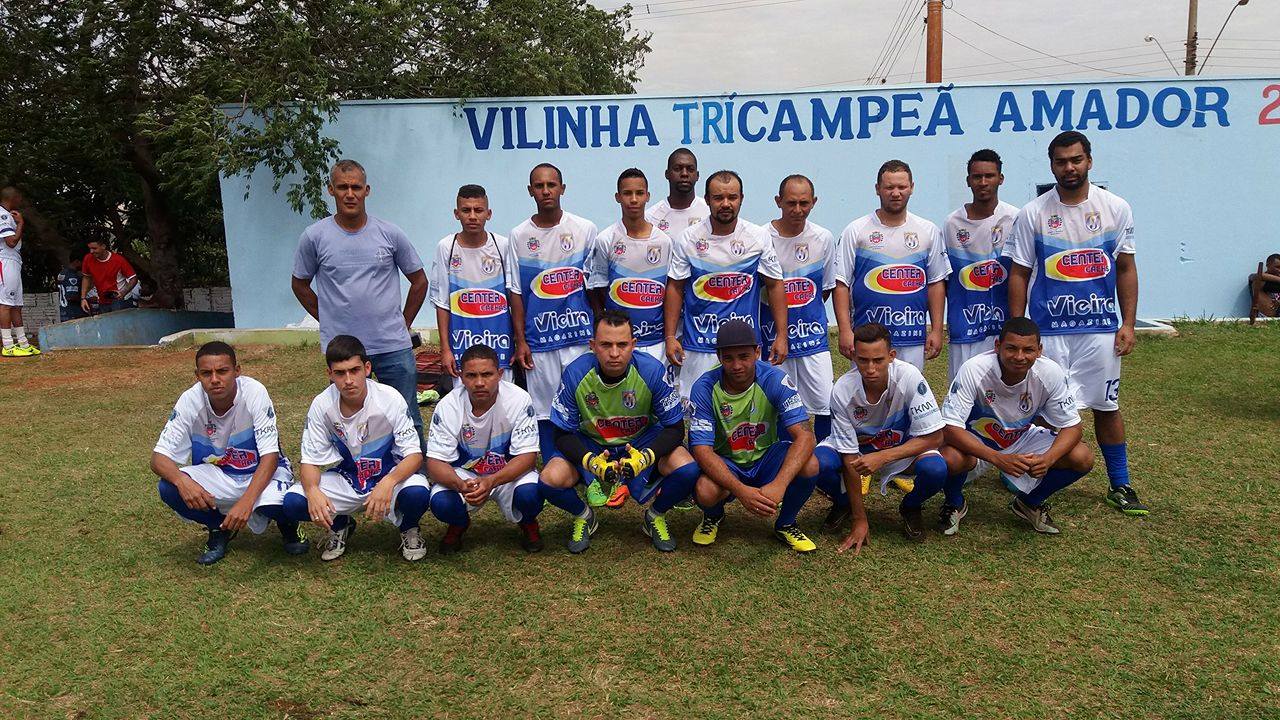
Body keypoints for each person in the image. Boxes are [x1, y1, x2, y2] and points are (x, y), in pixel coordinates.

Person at [1005, 131, 1147, 516]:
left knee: (1105, 405)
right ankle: (1027, 472)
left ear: (1089, 161)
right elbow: (1019, 273)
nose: (1069, 167)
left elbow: (1126, 268)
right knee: (1039, 407)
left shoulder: (1115, 207)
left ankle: (1120, 484)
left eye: (1076, 160)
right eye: (1061, 161)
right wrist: (1017, 327)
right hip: (1048, 330)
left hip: (1099, 329)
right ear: (1051, 165)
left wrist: (1128, 323)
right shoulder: (1033, 212)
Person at [291, 159, 429, 445]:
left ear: (367, 190)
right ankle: (355, 467)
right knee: (348, 418)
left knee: (406, 416)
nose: (350, 194)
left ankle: (416, 469)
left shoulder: (390, 233)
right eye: (343, 187)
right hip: (344, 350)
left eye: (356, 187)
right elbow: (300, 284)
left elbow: (419, 281)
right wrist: (327, 318)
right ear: (331, 190)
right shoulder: (314, 237)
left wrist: (403, 323)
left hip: (392, 345)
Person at [538, 310, 700, 553]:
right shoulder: (575, 373)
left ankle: (655, 516)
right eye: (606, 344)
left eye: (622, 344)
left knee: (687, 469)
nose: (614, 353)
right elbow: (561, 434)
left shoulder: (652, 371)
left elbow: (675, 429)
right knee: (549, 479)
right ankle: (584, 516)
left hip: (640, 441)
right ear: (593, 345)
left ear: (633, 345)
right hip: (594, 443)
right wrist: (590, 461)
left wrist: (646, 457)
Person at [151, 341, 305, 564]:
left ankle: (288, 525)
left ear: (237, 371)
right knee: (169, 487)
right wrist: (182, 482)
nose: (215, 379)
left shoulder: (254, 392)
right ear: (197, 376)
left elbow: (270, 457)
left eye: (222, 371)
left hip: (262, 473)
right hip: (220, 474)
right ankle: (218, 527)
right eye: (206, 373)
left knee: (287, 502)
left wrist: (246, 502)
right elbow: (158, 459)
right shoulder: (190, 400)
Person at [939, 317, 1096, 534]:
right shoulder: (974, 369)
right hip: (976, 441)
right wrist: (997, 458)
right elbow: (949, 428)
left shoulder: (1050, 372)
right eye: (1011, 348)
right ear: (997, 346)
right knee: (949, 458)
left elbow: (1073, 427)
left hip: (1020, 438)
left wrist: (1048, 459)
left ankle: (1030, 502)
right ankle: (954, 503)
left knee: (1082, 457)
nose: (1020, 357)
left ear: (1039, 350)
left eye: (1028, 350)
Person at [282, 335, 432, 562]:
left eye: (355, 370)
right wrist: (312, 491)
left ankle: (409, 528)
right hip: (349, 477)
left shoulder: (390, 398)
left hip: (389, 473)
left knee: (418, 492)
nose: (349, 380)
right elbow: (310, 461)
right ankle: (340, 525)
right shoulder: (322, 404)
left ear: (367, 368)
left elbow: (414, 456)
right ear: (330, 374)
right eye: (340, 373)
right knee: (294, 501)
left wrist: (388, 482)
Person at [687, 319, 821, 553]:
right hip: (727, 461)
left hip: (765, 458)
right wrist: (741, 491)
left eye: (744, 356)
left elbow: (806, 437)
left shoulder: (775, 379)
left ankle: (786, 523)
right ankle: (713, 516)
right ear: (719, 357)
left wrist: (779, 484)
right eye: (728, 358)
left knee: (810, 464)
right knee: (705, 491)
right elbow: (701, 450)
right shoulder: (704, 387)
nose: (737, 365)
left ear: (757, 352)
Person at [813, 323, 948, 548]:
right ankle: (844, 503)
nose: (870, 368)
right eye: (863, 360)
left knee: (936, 469)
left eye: (878, 360)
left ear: (891, 356)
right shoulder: (842, 389)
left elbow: (935, 437)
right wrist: (860, 519)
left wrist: (883, 457)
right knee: (818, 464)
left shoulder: (909, 376)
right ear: (854, 357)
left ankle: (911, 506)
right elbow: (849, 457)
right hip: (857, 452)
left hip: (899, 449)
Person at [507, 163, 598, 487]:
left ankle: (592, 474)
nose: (546, 191)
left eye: (551, 185)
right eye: (539, 185)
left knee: (585, 406)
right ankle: (553, 468)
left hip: (579, 338)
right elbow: (516, 292)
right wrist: (521, 341)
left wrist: (598, 332)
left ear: (562, 188)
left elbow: (595, 286)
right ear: (530, 191)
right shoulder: (518, 236)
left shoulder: (585, 229)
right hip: (540, 341)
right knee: (545, 410)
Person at [664, 170, 788, 403]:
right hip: (700, 345)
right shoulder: (688, 238)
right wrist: (670, 336)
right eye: (718, 198)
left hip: (743, 349)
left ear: (741, 198)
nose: (725, 204)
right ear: (707, 199)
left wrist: (782, 336)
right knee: (698, 409)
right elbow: (675, 288)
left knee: (747, 408)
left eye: (732, 197)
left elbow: (775, 286)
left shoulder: (758, 237)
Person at [425, 344, 543, 554]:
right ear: (461, 377)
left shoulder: (519, 399)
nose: (479, 382)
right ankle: (459, 523)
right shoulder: (448, 405)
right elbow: (435, 463)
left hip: (507, 472)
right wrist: (460, 485)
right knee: (441, 502)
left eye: (487, 374)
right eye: (471, 375)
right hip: (466, 476)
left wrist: (491, 481)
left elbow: (528, 456)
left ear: (500, 374)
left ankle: (527, 522)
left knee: (531, 493)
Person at [833, 159, 948, 372]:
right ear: (878, 189)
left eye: (902, 187)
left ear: (912, 188)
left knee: (908, 390)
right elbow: (841, 284)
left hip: (912, 336)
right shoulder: (856, 230)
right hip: (867, 339)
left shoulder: (928, 230)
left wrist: (937, 330)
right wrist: (845, 330)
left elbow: (935, 283)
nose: (896, 193)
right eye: (889, 187)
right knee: (867, 391)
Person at [761, 174, 837, 440]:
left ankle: (825, 455)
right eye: (791, 203)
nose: (797, 209)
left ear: (814, 202)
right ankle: (784, 456)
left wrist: (803, 315)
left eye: (804, 203)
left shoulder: (823, 238)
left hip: (812, 340)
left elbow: (825, 288)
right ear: (778, 201)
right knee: (779, 404)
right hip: (771, 339)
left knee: (825, 402)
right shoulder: (761, 237)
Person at [429, 184, 520, 379]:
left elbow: (515, 297)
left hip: (500, 345)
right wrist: (445, 349)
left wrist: (519, 341)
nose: (472, 216)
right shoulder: (446, 247)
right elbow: (442, 303)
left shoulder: (502, 245)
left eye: (478, 210)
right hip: (461, 345)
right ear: (456, 214)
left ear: (489, 213)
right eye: (466, 210)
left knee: (503, 394)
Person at [944, 149, 1020, 382]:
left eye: (989, 176)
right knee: (963, 393)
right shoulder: (952, 223)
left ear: (1001, 178)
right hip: (965, 327)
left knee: (1005, 393)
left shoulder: (1016, 218)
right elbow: (944, 278)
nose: (983, 182)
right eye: (977, 177)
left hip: (1004, 327)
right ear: (968, 181)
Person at [586, 168, 673, 366]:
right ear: (618, 197)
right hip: (618, 345)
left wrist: (669, 337)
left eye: (639, 193)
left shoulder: (664, 241)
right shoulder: (605, 239)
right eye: (627, 193)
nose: (633, 199)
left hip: (656, 342)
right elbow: (597, 289)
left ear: (648, 196)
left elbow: (670, 291)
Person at [0, 186, 39, 356]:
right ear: (13, 198)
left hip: (14, 261)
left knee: (16, 305)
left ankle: (23, 343)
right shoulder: (2, 214)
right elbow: (11, 242)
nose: (21, 201)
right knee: (5, 304)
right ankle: (8, 346)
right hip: (5, 260)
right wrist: (21, 223)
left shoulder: (8, 215)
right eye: (20, 198)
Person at [645, 147, 709, 236]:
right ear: (667, 174)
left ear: (697, 175)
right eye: (677, 168)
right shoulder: (650, 217)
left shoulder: (709, 212)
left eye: (690, 169)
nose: (684, 174)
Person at [80, 238, 139, 315]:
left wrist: (123, 292)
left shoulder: (118, 260)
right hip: (102, 299)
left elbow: (134, 278)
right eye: (90, 248)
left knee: (118, 321)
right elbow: (86, 277)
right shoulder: (88, 258)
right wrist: (83, 298)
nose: (91, 251)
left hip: (120, 299)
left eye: (94, 248)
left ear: (103, 246)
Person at [1248, 253, 1280, 323]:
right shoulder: (1259, 281)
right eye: (1277, 267)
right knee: (1257, 283)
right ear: (1268, 265)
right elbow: (1256, 276)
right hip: (1268, 315)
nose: (1279, 270)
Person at [56, 255, 86, 322]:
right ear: (77, 261)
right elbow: (71, 297)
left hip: (63, 310)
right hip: (72, 312)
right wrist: (84, 299)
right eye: (82, 262)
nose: (83, 265)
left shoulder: (62, 273)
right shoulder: (72, 276)